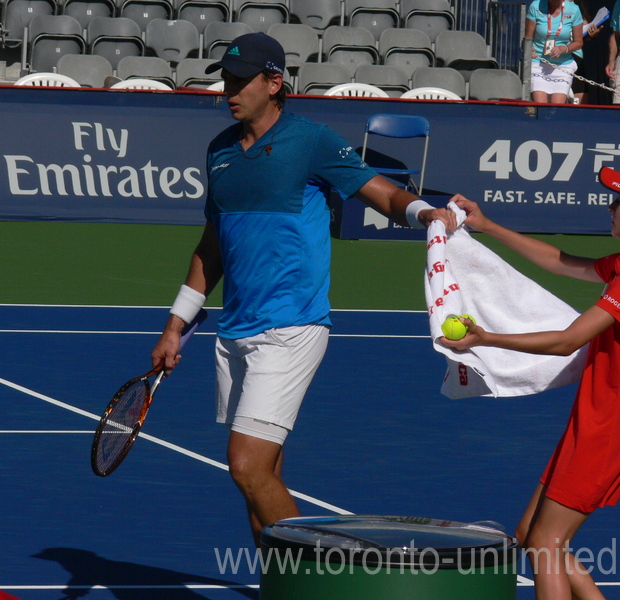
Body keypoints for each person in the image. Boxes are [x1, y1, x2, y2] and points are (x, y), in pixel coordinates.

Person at [151, 32, 457, 546]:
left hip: (291, 327)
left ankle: (331, 578)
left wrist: (426, 213)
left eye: (241, 80)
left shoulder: (312, 140)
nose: (229, 90)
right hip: (235, 333)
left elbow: (379, 192)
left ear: (275, 83)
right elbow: (212, 246)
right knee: (262, 481)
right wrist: (175, 325)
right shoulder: (219, 151)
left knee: (246, 467)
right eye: (225, 79)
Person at [442, 166, 620, 600]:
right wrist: (487, 226)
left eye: (616, 200)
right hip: (594, 422)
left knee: (545, 544)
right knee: (532, 534)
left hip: (607, 431)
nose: (609, 206)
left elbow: (569, 341)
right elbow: (559, 262)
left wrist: (485, 337)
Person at [525, 0, 584, 103]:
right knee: (540, 107)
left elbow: (578, 42)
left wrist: (563, 49)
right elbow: (527, 38)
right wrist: (530, 49)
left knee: (556, 109)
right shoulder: (536, 6)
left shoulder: (574, 9)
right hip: (538, 63)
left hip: (562, 66)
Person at [569, 0, 601, 104]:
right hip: (557, 56)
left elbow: (584, 29)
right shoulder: (552, 6)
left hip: (576, 57)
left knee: (580, 93)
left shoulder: (577, 6)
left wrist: (591, 34)